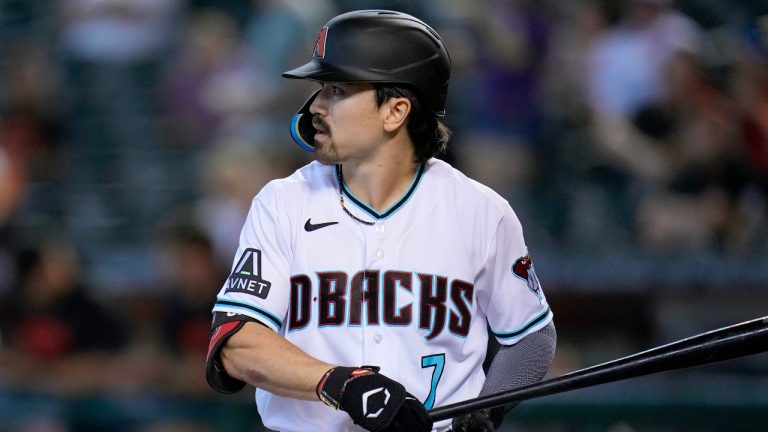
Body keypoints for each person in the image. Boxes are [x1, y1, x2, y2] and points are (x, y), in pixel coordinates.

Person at [205, 9, 556, 432]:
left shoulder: (481, 211)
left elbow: (531, 338)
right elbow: (236, 343)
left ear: (396, 111)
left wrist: (488, 408)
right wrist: (342, 384)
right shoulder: (283, 203)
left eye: (336, 90)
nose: (315, 105)